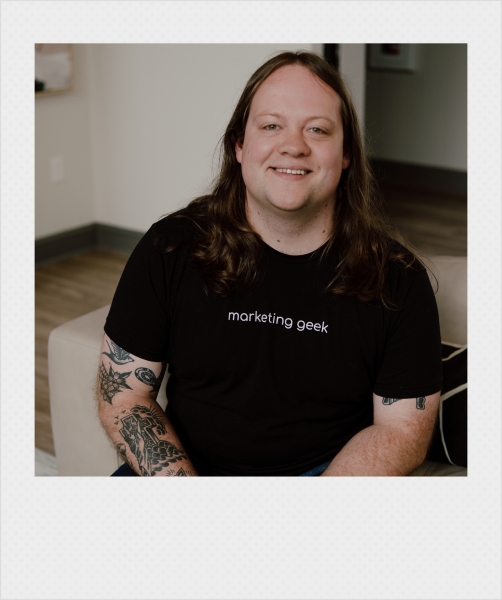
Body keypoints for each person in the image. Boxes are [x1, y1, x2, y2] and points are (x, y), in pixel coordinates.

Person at [97, 51, 443, 477]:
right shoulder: (171, 246)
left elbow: (400, 431)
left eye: (317, 129)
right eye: (271, 125)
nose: (294, 145)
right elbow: (125, 396)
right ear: (240, 145)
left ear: (347, 153)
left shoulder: (398, 278)